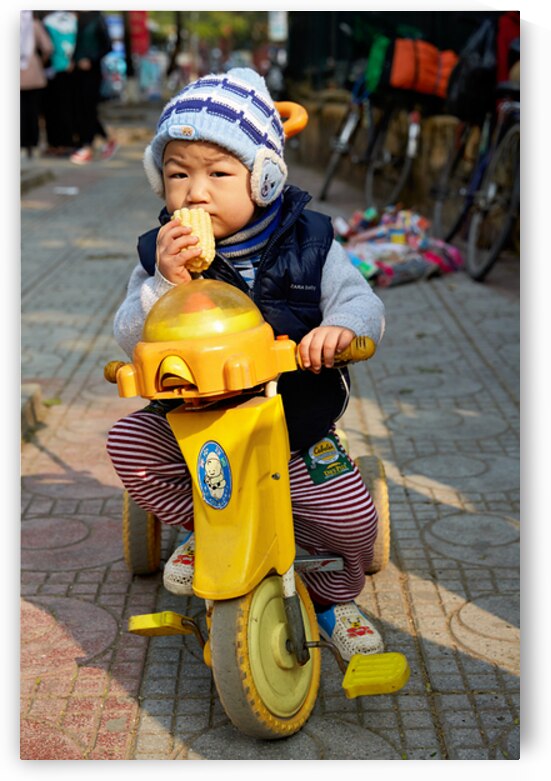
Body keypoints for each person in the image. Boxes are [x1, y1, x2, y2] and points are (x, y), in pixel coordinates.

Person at [106, 68, 387, 662]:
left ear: (264, 178)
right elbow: (130, 333)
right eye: (178, 174)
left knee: (353, 520)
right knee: (129, 443)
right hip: (194, 423)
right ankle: (203, 530)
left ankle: (335, 598)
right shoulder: (160, 255)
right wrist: (164, 283)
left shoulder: (310, 243)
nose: (195, 193)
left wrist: (341, 329)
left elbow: (362, 302)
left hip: (294, 422)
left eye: (218, 173)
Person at [70, 11, 118, 165]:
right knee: (80, 108)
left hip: (92, 72)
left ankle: (88, 147)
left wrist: (90, 59)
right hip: (76, 72)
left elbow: (107, 46)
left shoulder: (97, 19)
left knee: (89, 108)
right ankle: (106, 141)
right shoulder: (76, 19)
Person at [42, 10, 78, 157]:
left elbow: (47, 48)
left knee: (53, 110)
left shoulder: (47, 22)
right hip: (69, 70)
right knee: (67, 108)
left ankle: (56, 144)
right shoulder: (73, 21)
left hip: (53, 72)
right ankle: (67, 143)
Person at [20, 11, 53, 158]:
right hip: (33, 72)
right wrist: (41, 61)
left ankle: (20, 144)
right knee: (33, 111)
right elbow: (48, 47)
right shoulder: (34, 25)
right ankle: (33, 144)